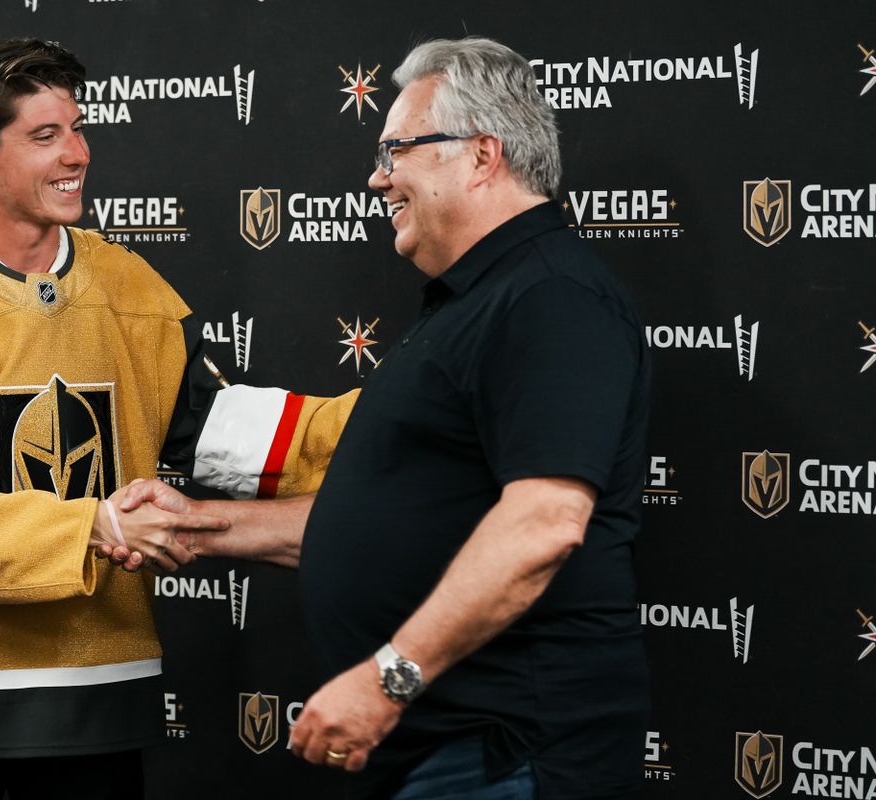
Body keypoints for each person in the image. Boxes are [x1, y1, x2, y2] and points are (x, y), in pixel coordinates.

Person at [117, 36, 651, 800]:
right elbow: (389, 520)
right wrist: (198, 524)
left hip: (506, 751)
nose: (376, 178)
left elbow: (545, 524)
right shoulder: (473, 304)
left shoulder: (550, 296)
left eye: (396, 149)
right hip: (444, 751)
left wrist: (387, 679)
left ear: (480, 155)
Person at [0, 37, 355, 799]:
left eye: (77, 128)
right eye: (45, 136)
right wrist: (96, 526)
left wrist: (409, 410)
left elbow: (238, 437)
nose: (77, 152)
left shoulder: (128, 282)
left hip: (94, 703)